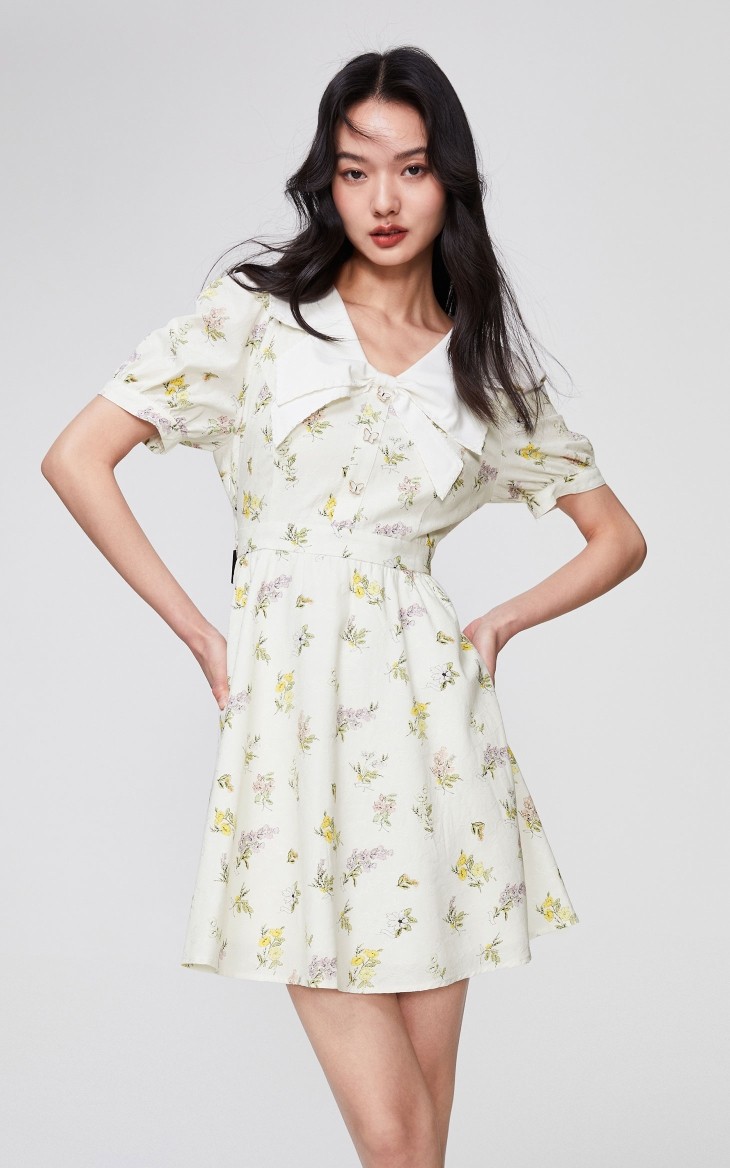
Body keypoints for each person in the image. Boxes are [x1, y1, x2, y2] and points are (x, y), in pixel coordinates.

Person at [41, 44, 646, 1168]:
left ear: (449, 181)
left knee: (421, 1143)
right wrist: (200, 632)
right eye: (355, 170)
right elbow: (76, 458)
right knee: (396, 1137)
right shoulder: (258, 319)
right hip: (293, 730)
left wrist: (497, 622)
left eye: (410, 169)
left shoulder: (480, 369)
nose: (383, 199)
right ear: (326, 181)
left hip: (433, 737)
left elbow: (618, 537)